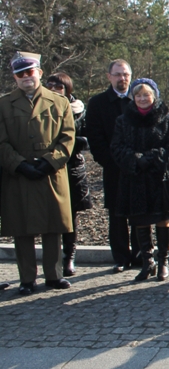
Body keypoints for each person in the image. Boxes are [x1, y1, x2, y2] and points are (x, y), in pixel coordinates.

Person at [0, 52, 75, 294]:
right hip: (18, 174)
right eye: (20, 74)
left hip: (50, 173)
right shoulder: (3, 104)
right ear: (14, 77)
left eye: (29, 72)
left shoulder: (60, 101)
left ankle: (54, 276)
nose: (25, 77)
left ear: (39, 73)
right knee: (22, 228)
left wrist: (48, 163)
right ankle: (27, 279)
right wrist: (19, 164)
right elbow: (0, 142)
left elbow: (67, 138)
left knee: (53, 226)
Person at [110, 78, 169, 282]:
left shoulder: (168, 118)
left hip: (160, 178)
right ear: (133, 97)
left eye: (146, 94)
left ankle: (163, 262)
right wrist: (135, 160)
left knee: (162, 219)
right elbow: (116, 147)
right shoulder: (123, 120)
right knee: (140, 221)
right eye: (138, 95)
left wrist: (151, 158)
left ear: (154, 95)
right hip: (135, 178)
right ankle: (147, 262)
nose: (142, 98)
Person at [87, 59, 153, 272]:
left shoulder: (140, 100)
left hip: (139, 168)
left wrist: (140, 161)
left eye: (125, 74)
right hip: (114, 168)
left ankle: (141, 254)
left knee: (139, 211)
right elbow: (95, 139)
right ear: (109, 77)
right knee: (117, 214)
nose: (122, 78)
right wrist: (113, 161)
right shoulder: (97, 103)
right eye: (117, 74)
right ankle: (121, 258)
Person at [44, 73, 93, 277]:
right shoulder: (41, 108)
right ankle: (51, 261)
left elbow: (88, 139)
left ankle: (68, 257)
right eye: (51, 87)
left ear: (68, 89)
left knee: (69, 216)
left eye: (59, 87)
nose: (55, 90)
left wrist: (69, 141)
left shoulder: (79, 111)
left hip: (72, 168)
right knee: (49, 215)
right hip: (48, 167)